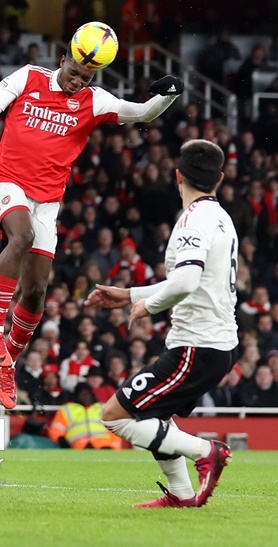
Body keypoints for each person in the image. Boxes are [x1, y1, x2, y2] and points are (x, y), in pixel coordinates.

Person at [0, 28, 183, 409]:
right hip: (4, 180)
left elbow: (142, 112)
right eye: (74, 71)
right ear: (63, 59)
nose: (77, 80)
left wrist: (168, 94)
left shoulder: (93, 101)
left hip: (48, 201)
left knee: (36, 294)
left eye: (86, 77)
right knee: (20, 237)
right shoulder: (28, 76)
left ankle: (8, 362)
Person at [85, 139, 237, 508]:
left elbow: (185, 282)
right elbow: (189, 279)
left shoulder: (195, 218)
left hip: (198, 346)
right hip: (211, 343)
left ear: (177, 176)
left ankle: (206, 451)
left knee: (115, 416)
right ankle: (183, 496)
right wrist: (130, 294)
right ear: (219, 178)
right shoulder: (220, 216)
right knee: (154, 415)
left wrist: (148, 306)